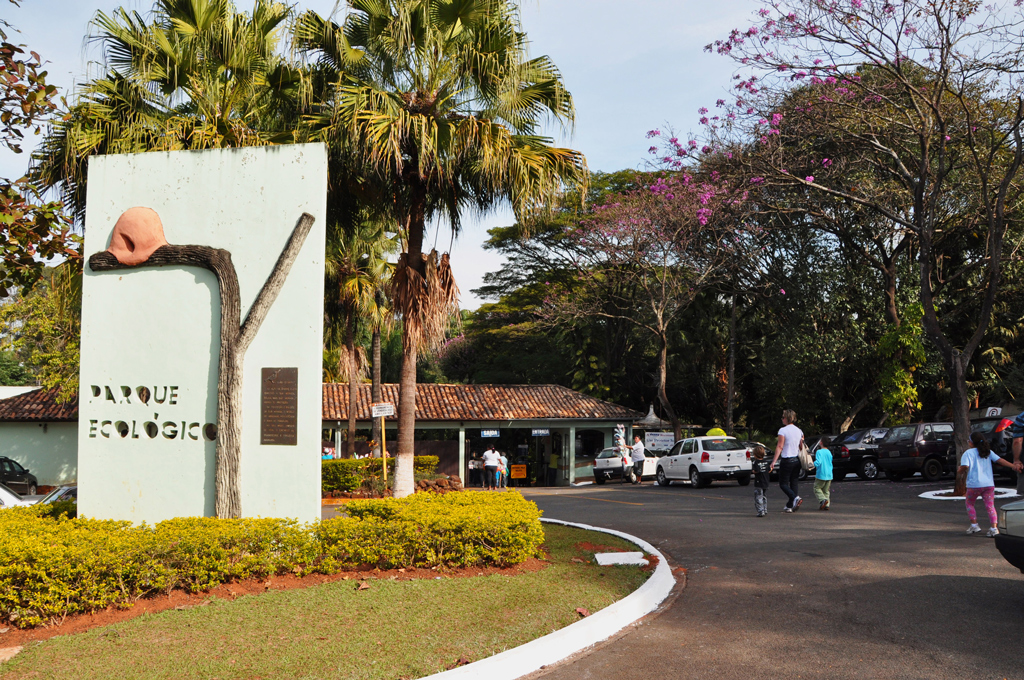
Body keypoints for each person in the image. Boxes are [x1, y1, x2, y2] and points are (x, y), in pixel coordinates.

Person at [961, 431, 1023, 536]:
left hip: (974, 485)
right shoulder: (988, 452)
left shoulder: (968, 453)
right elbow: (1000, 460)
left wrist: (959, 470)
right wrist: (1013, 466)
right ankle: (994, 528)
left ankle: (974, 525)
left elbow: (965, 466)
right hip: (988, 484)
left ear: (971, 443)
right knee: (990, 506)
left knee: (970, 503)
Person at [770, 409, 805, 512]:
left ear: (786, 418)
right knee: (794, 482)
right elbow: (801, 446)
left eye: (783, 417)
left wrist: (773, 461)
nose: (782, 419)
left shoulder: (783, 430)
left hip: (787, 459)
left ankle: (795, 498)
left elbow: (780, 446)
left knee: (783, 484)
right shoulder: (799, 430)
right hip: (796, 460)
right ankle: (790, 505)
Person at [813, 436, 833, 511]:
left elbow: (818, 462)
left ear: (821, 443)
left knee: (816, 488)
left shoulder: (819, 452)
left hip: (821, 474)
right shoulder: (829, 452)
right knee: (826, 490)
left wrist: (811, 465)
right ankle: (826, 505)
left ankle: (823, 500)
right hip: (829, 474)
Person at [751, 445, 771, 517]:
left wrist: (753, 471)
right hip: (766, 482)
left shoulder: (755, 462)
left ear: (755, 455)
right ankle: (765, 509)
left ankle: (760, 511)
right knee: (764, 496)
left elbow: (756, 471)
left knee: (758, 497)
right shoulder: (766, 462)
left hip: (759, 482)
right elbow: (769, 470)